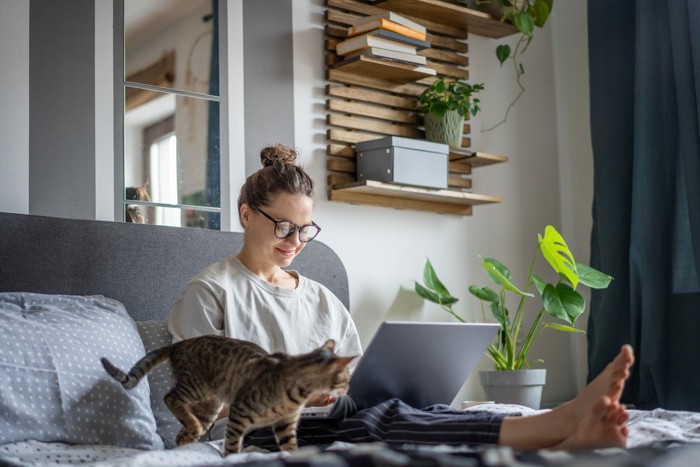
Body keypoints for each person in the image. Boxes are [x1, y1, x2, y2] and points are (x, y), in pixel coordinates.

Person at [169, 143, 635, 452]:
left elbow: (353, 383)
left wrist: (336, 393)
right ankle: (552, 426)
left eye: (305, 229)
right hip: (255, 433)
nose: (295, 241)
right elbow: (201, 407)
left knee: (411, 409)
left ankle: (559, 443)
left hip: (324, 419)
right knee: (381, 420)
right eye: (283, 227)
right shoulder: (212, 292)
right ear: (247, 215)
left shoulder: (322, 299)